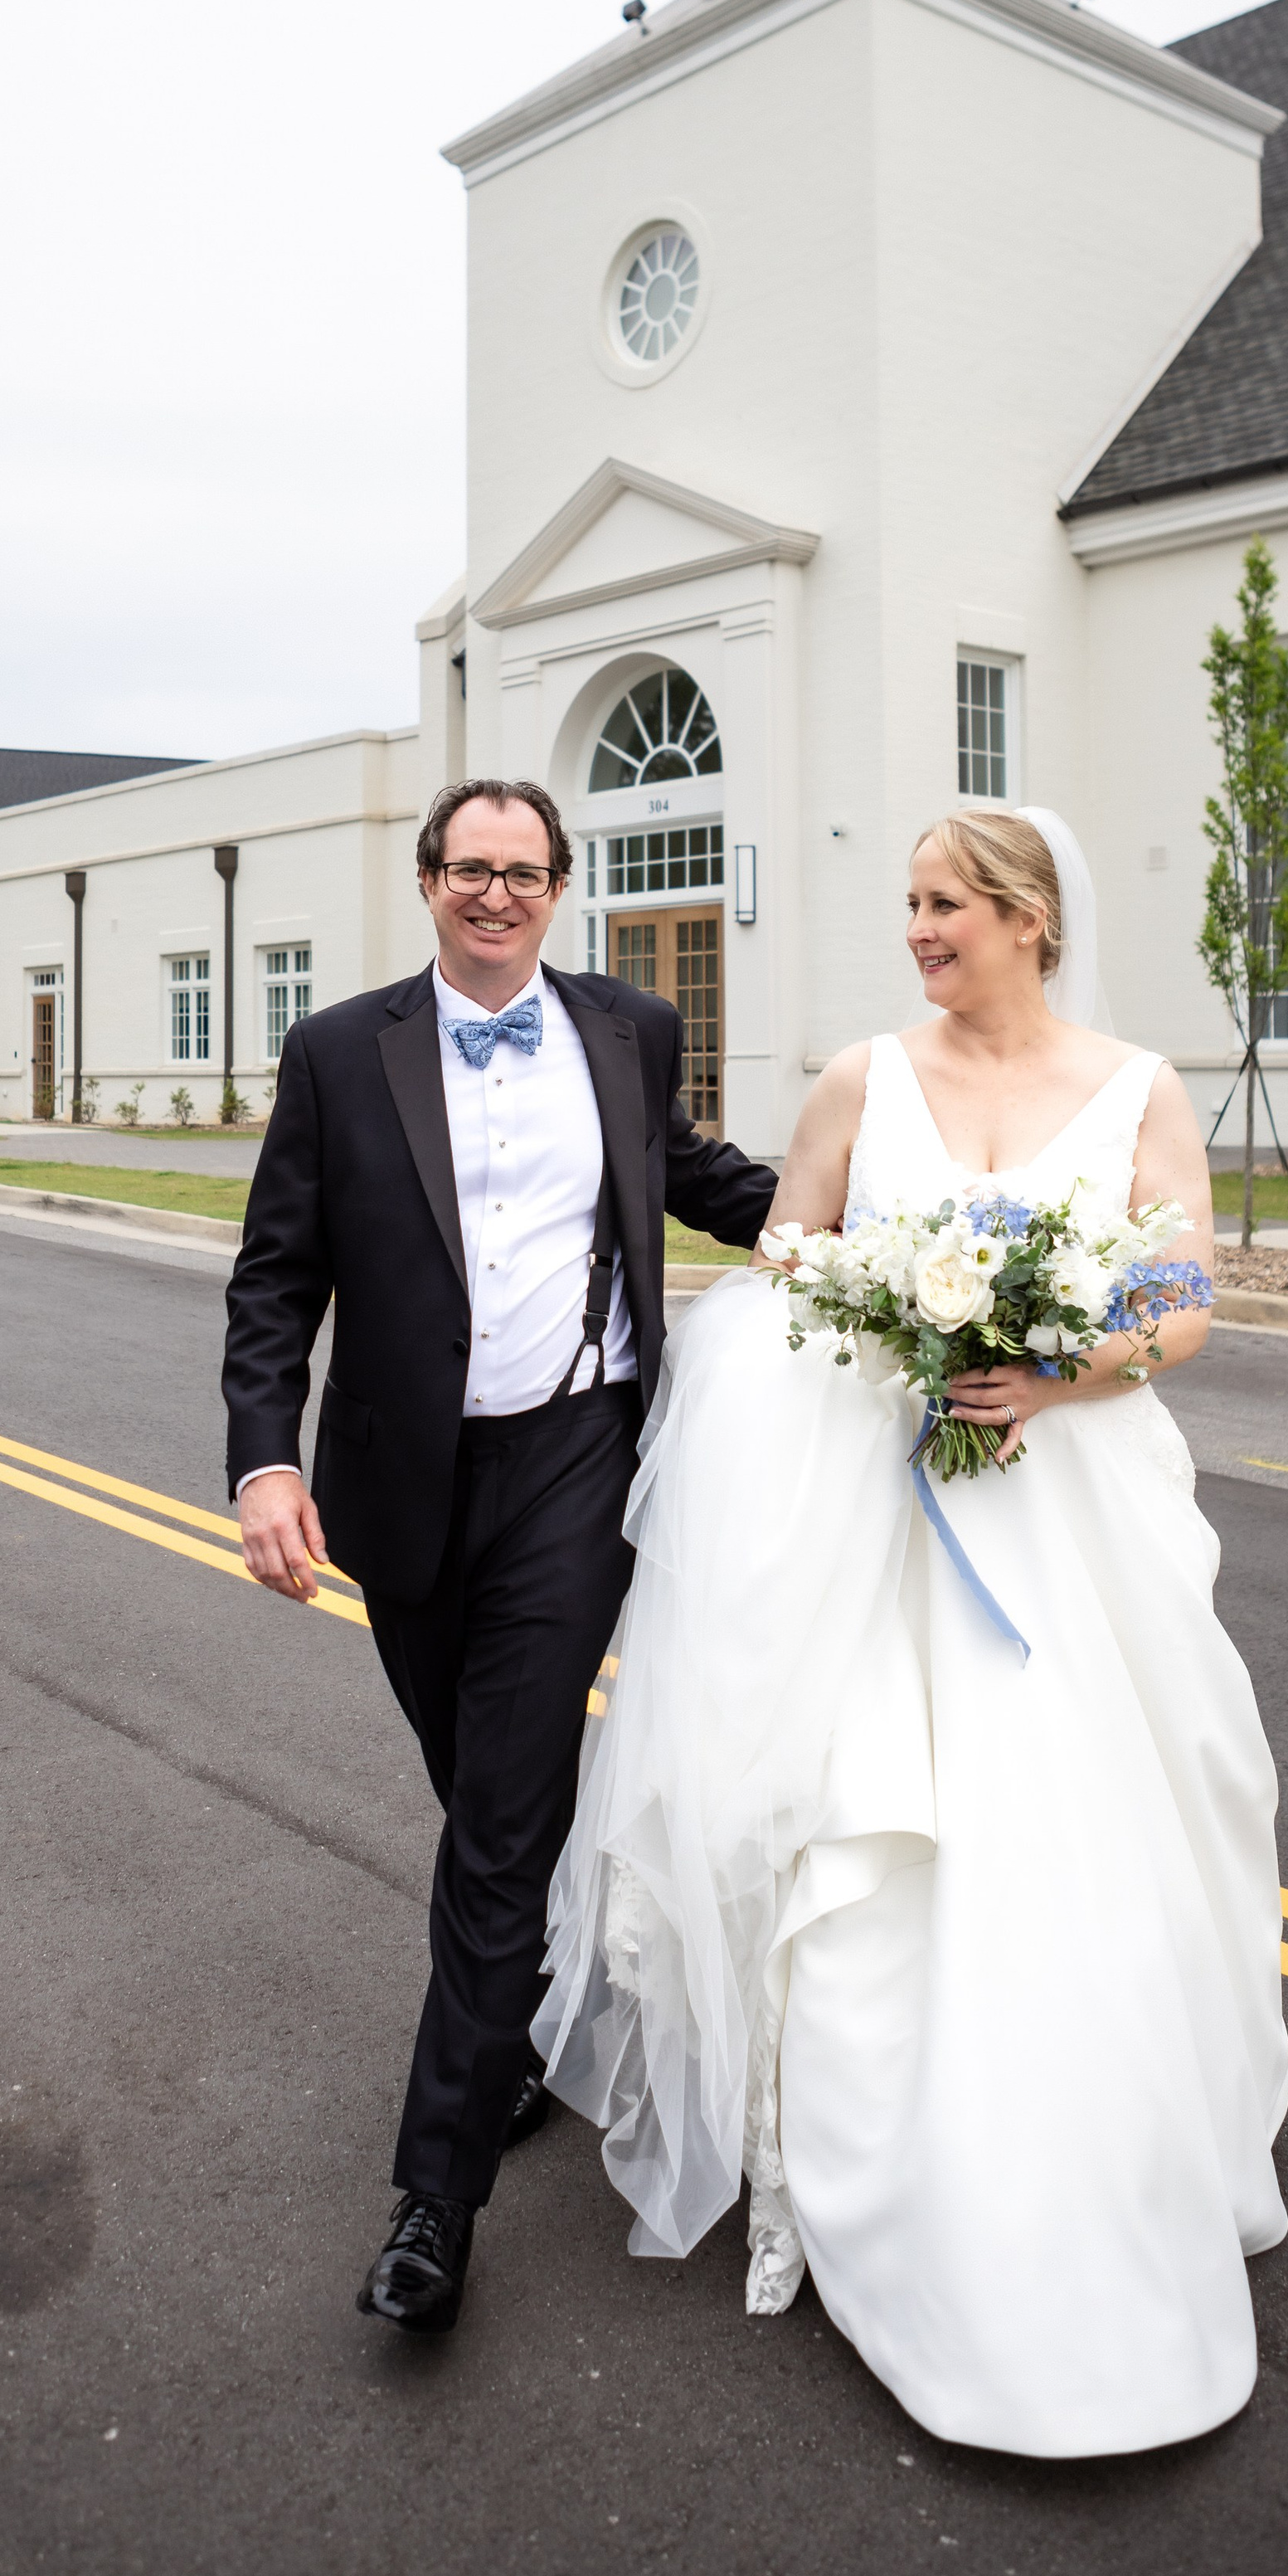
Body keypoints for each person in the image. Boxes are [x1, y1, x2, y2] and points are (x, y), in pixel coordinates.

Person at [537, 805, 1288, 2460]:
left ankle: (1094, 2131)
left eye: (941, 902)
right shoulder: (857, 1081)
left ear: (1025, 916)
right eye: (909, 903)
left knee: (1101, 1811)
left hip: (1070, 1506)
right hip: (884, 1513)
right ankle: (884, 2158)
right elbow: (783, 1256)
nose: (918, 929)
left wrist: (1054, 1362)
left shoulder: (1137, 1088)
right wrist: (888, 1305)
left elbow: (1179, 1297)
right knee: (880, 1820)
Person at [223, 777, 778, 2338]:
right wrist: (267, 1456)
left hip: (575, 1460)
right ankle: (531, 2025)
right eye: (472, 868)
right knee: (476, 1787)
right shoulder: (341, 1050)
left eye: (526, 871)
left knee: (500, 1825)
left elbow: (688, 1176)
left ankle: (435, 2199)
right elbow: (277, 1278)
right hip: (405, 1487)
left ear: (559, 887)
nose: (498, 893)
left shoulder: (624, 1027)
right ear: (426, 881)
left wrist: (876, 1224)